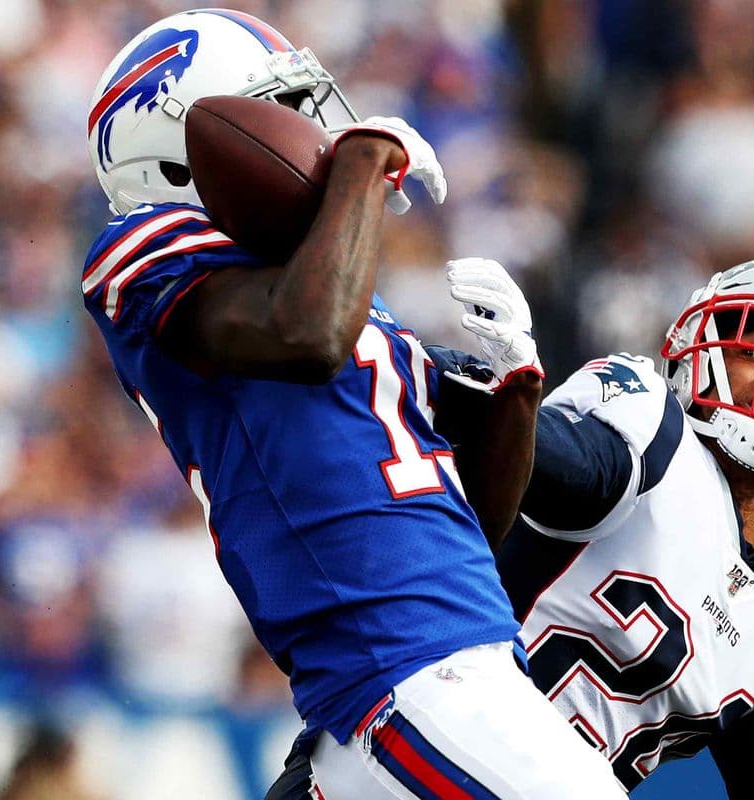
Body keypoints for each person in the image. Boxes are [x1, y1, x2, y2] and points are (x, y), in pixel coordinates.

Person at [82, 9, 626, 800]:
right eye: (280, 111)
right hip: (402, 674)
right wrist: (369, 162)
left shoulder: (356, 312)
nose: (316, 133)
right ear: (178, 150)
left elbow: (472, 525)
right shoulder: (151, 247)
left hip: (453, 666)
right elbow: (307, 336)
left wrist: (516, 389)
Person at [489, 257, 754, 796]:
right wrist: (503, 410)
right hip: (450, 726)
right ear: (702, 354)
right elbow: (546, 456)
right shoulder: (650, 432)